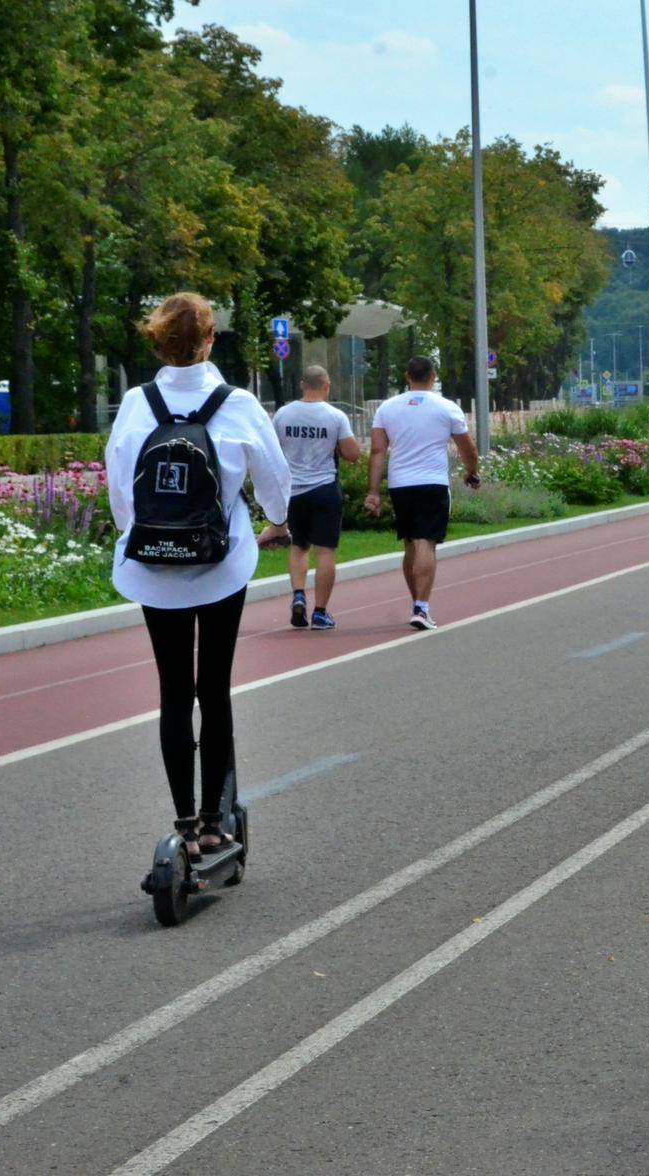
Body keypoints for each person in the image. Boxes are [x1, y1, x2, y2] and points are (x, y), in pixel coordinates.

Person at [106, 292, 290, 857]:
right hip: (220, 565)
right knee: (214, 688)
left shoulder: (137, 404)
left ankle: (182, 824)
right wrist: (278, 522)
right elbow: (275, 478)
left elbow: (119, 488)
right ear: (211, 339)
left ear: (159, 342)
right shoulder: (237, 403)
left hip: (153, 567)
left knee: (172, 691)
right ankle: (215, 822)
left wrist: (144, 535)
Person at [365, 356, 480, 630]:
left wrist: (373, 491)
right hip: (433, 482)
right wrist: (471, 471)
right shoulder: (447, 407)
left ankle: (417, 602)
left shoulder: (387, 408)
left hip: (400, 484)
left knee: (410, 543)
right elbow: (468, 448)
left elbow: (378, 451)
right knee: (425, 543)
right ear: (433, 376)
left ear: (408, 376)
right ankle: (421, 607)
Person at [266, 365, 363, 629]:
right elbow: (353, 454)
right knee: (325, 551)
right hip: (324, 488)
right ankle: (320, 612)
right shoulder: (335, 416)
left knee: (298, 546)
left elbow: (272, 450)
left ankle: (298, 595)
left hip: (294, 490)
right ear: (327, 385)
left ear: (301, 384)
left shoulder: (283, 415)